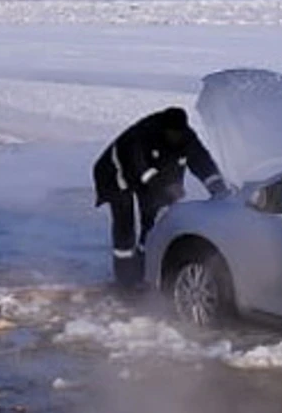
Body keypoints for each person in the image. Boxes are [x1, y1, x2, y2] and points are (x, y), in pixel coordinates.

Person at [93, 107, 229, 289]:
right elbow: (142, 171)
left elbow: (202, 163)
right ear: (163, 129)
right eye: (172, 133)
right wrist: (167, 189)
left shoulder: (187, 138)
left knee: (154, 223)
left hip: (148, 176)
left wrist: (218, 188)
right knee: (125, 225)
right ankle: (125, 279)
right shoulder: (142, 135)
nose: (176, 137)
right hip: (115, 174)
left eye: (179, 133)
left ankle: (143, 271)